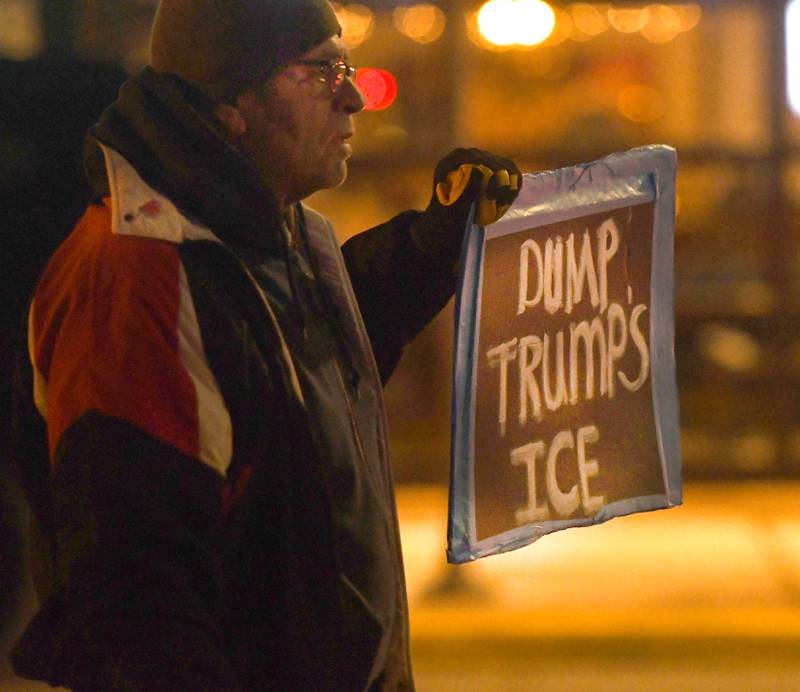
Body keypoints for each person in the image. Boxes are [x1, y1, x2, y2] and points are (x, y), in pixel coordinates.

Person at [9, 0, 520, 689]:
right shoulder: (138, 273)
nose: (353, 97)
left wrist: (429, 248)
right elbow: (133, 583)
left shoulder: (273, 233)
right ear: (231, 105)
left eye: (349, 68)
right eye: (321, 72)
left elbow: (291, 390)